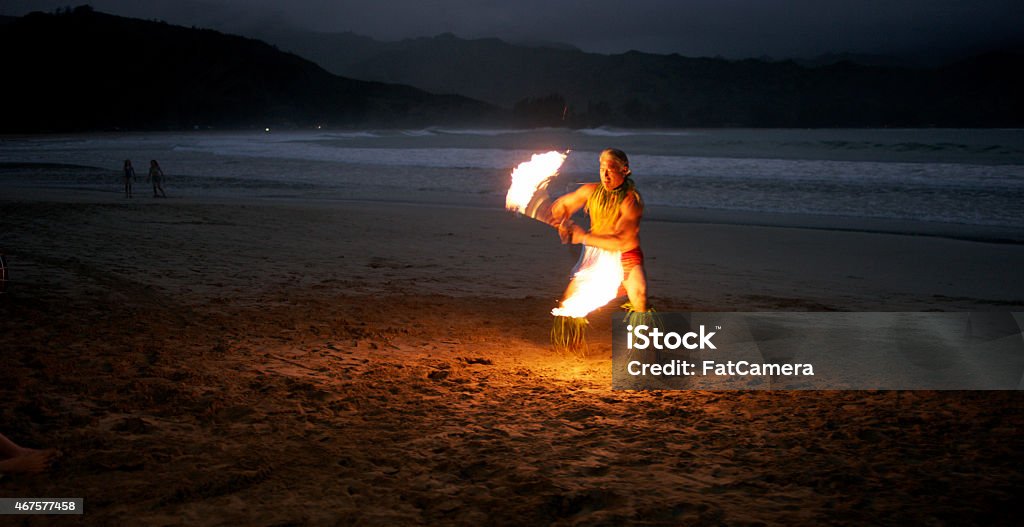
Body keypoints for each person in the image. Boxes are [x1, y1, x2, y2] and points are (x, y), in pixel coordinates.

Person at [548, 148, 648, 312]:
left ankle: (642, 336)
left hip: (625, 254)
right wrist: (563, 221)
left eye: (610, 170)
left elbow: (620, 241)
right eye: (602, 170)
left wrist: (582, 237)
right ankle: (571, 337)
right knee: (568, 302)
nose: (605, 176)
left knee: (639, 295)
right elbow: (561, 206)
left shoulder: (630, 201)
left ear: (624, 170)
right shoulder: (591, 190)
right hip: (595, 254)